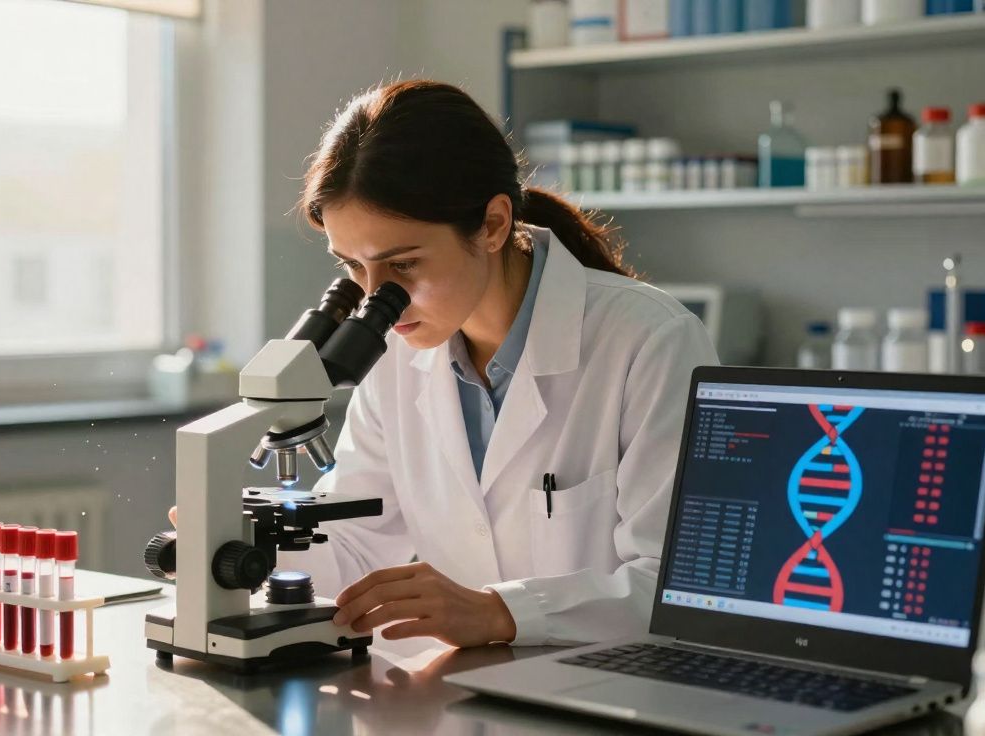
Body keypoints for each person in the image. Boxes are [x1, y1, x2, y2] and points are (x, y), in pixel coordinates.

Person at [173, 79, 718, 648]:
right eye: (353, 270)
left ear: (492, 225)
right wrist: (245, 544)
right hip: (467, 691)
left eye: (403, 265)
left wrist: (499, 613)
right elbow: (356, 544)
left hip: (612, 697)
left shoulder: (650, 341)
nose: (376, 299)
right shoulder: (395, 357)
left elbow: (677, 585)